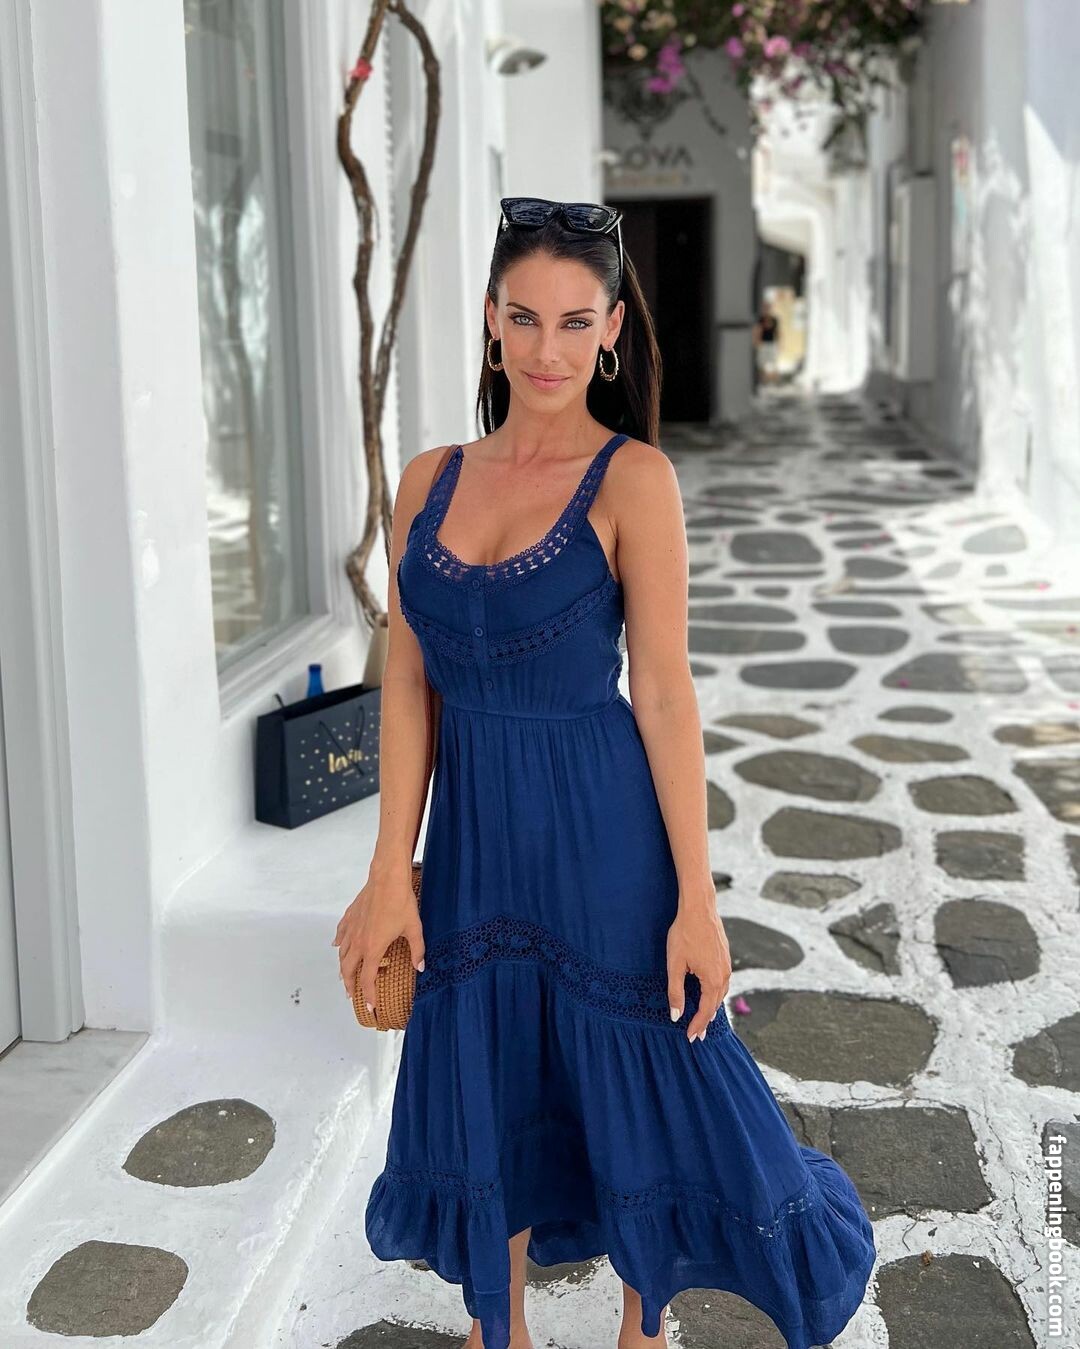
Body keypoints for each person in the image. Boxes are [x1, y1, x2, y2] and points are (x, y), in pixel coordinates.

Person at [333, 198, 876, 1349]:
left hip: (603, 834)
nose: (548, 349)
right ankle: (501, 1326)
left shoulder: (634, 480)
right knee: (489, 1059)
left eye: (576, 322)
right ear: (492, 319)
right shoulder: (429, 479)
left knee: (644, 1066)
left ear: (613, 329)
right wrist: (391, 868)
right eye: (525, 317)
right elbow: (409, 682)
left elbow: (665, 694)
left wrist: (698, 898)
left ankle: (643, 1320)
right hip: (476, 836)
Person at [753, 301, 781, 385]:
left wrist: (779, 343)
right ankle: (763, 380)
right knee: (762, 363)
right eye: (765, 308)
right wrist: (756, 342)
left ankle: (775, 380)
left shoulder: (774, 319)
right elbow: (758, 331)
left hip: (772, 343)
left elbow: (777, 332)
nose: (767, 309)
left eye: (768, 308)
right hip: (763, 343)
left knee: (773, 362)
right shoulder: (760, 319)